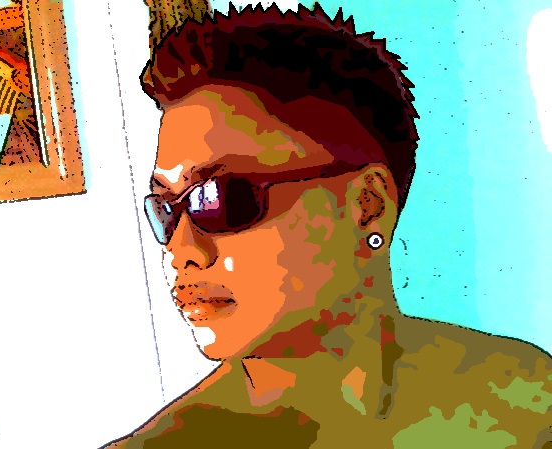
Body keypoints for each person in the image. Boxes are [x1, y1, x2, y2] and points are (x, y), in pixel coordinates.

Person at [103, 4, 552, 448]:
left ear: (367, 206)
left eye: (219, 198)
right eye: (166, 210)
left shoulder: (527, 396)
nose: (182, 250)